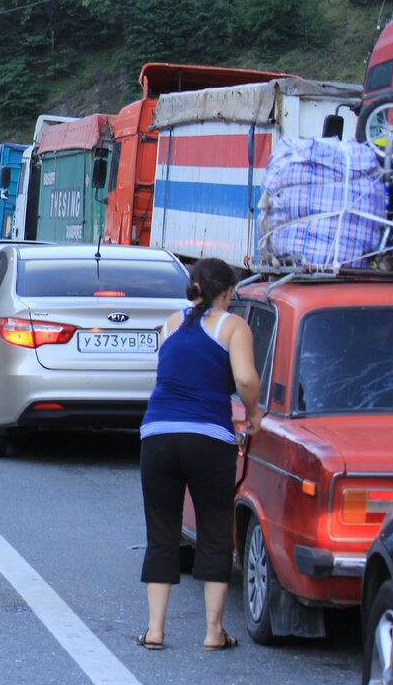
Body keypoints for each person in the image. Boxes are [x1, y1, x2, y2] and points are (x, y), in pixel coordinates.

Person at [137, 257, 262, 652]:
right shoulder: (232, 326)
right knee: (213, 532)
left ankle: (155, 630)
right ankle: (213, 633)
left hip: (157, 437)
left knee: (161, 535)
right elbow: (244, 378)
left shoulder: (170, 324)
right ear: (227, 292)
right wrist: (254, 413)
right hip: (208, 439)